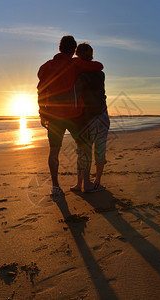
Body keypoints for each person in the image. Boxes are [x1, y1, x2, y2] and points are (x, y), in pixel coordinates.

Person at [37, 36, 104, 196]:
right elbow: (99, 66)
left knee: (54, 152)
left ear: (60, 48)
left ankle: (55, 186)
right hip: (75, 115)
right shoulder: (75, 63)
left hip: (53, 116)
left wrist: (42, 113)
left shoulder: (46, 66)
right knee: (85, 148)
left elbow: (40, 89)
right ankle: (86, 183)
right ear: (74, 49)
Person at [70, 43, 110, 193]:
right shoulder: (100, 73)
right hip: (102, 115)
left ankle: (79, 183)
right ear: (91, 54)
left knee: (83, 151)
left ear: (77, 55)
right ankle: (97, 182)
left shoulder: (77, 74)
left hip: (87, 117)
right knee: (100, 151)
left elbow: (77, 96)